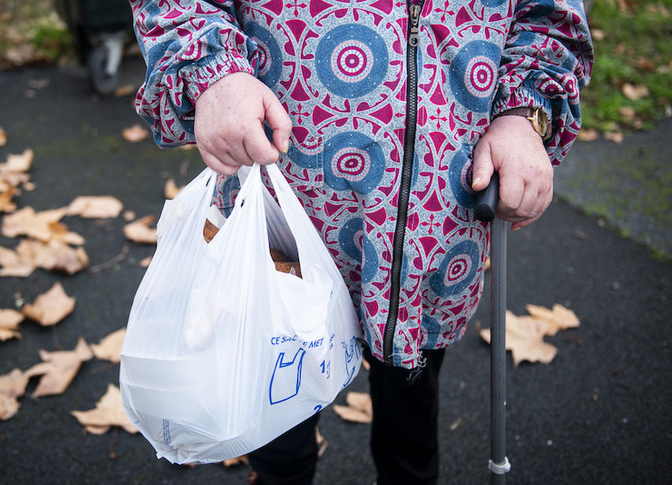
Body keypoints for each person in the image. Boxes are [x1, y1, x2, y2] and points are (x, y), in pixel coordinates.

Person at [128, 0, 593, 483]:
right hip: (279, 210)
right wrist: (214, 71)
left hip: (433, 224)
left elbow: (549, 16)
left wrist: (524, 110)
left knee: (410, 426)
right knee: (275, 421)